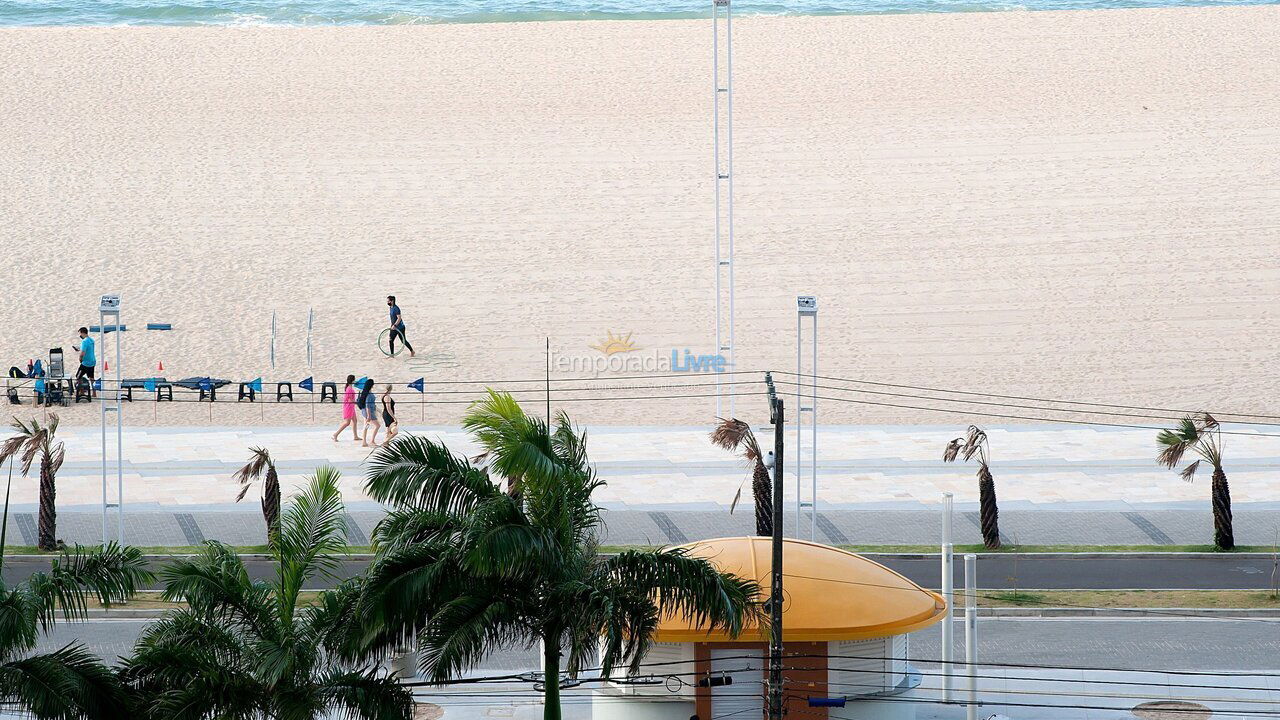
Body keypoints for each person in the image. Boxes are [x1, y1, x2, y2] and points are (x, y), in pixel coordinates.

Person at [332, 375, 360, 442]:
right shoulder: (349, 389)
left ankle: (355, 436)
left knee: (355, 421)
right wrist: (358, 403)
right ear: (352, 380)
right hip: (349, 407)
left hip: (351, 407)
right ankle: (335, 434)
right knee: (347, 423)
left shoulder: (349, 387)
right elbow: (350, 400)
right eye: (354, 380)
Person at [359, 378, 380, 447]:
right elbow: (368, 405)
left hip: (365, 411)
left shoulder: (365, 392)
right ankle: (372, 441)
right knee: (377, 425)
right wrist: (369, 416)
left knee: (365, 427)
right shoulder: (369, 394)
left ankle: (364, 442)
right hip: (369, 412)